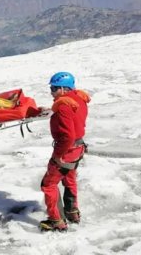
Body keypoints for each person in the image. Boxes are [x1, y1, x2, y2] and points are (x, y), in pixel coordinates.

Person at [39, 72, 90, 232]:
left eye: (54, 88)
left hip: (67, 150)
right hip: (78, 148)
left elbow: (68, 136)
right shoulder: (78, 98)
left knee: (49, 184)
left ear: (63, 88)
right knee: (69, 179)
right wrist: (52, 109)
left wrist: (58, 155)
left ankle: (56, 220)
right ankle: (72, 212)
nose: (51, 92)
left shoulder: (63, 106)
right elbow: (73, 115)